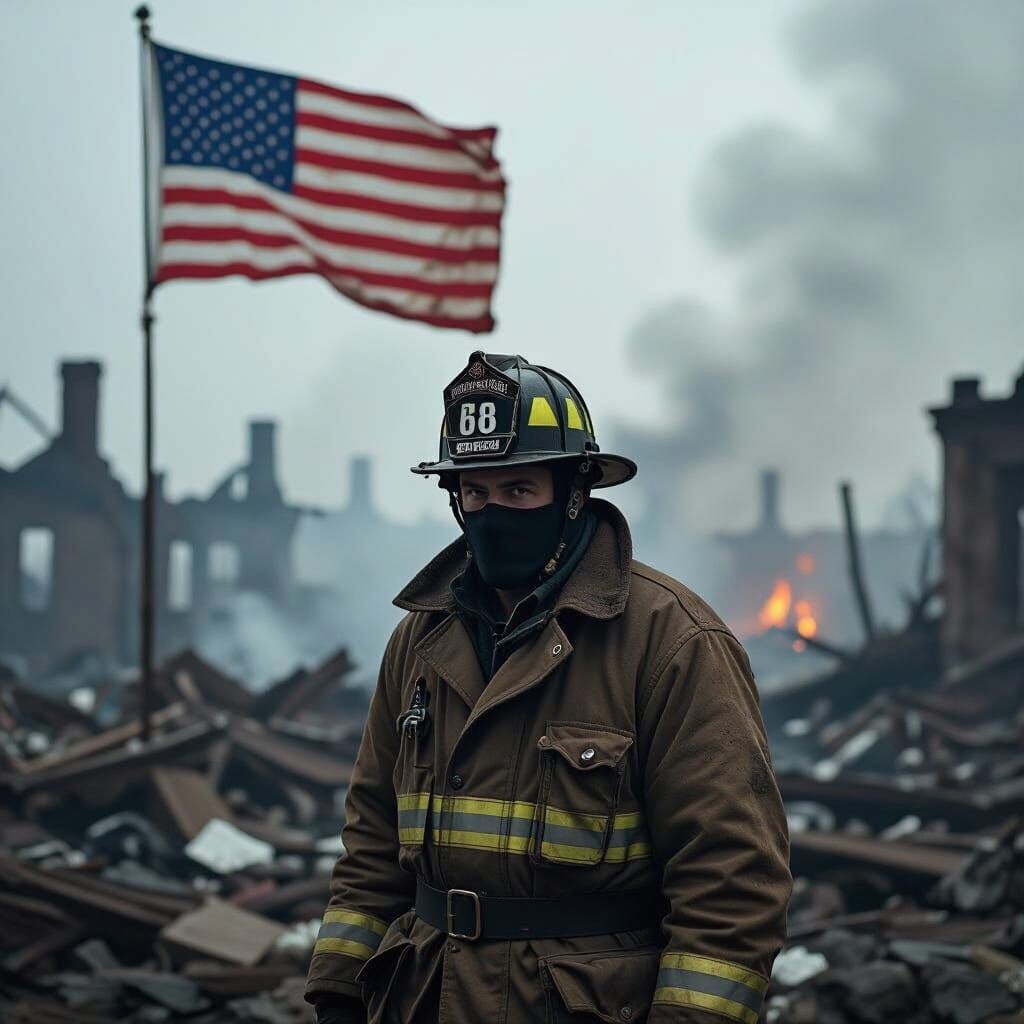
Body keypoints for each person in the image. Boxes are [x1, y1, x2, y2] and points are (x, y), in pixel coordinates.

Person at [306, 352, 792, 1024]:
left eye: (518, 491)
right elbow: (370, 841)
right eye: (474, 493)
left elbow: (731, 880)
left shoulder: (672, 642)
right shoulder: (421, 638)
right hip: (421, 999)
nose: (492, 513)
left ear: (573, 495)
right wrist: (338, 991)